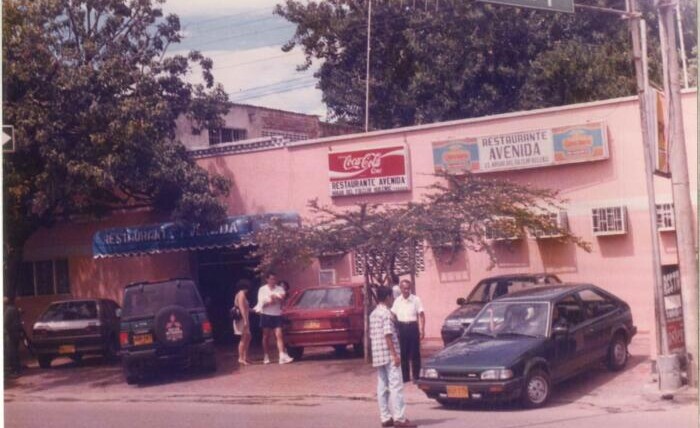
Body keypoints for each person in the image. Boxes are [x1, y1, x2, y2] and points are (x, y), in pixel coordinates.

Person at [370, 285, 416, 428]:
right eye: (392, 297)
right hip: (389, 354)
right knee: (396, 386)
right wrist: (394, 354)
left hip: (378, 355)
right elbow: (388, 335)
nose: (393, 299)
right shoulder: (386, 314)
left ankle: (385, 417)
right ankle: (399, 418)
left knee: (382, 386)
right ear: (388, 297)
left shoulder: (373, 314)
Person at [390, 279, 425, 383]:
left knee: (415, 353)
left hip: (413, 327)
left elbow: (422, 315)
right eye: (404, 288)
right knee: (403, 353)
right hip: (402, 327)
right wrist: (395, 326)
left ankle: (416, 376)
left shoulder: (416, 299)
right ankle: (405, 377)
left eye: (408, 288)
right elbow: (392, 314)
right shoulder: (397, 301)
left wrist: (422, 329)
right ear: (400, 289)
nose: (406, 290)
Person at [255, 272, 293, 365]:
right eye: (271, 279)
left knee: (279, 335)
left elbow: (282, 297)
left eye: (274, 279)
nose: (273, 281)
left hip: (277, 315)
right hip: (266, 315)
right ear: (267, 279)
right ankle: (266, 355)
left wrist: (275, 299)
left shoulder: (279, 288)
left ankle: (281, 356)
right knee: (266, 336)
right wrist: (271, 301)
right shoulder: (262, 289)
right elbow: (261, 303)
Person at [233, 279, 253, 365]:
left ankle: (245, 356)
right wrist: (245, 320)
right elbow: (242, 308)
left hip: (244, 318)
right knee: (244, 338)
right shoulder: (241, 294)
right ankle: (241, 357)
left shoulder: (240, 294)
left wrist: (253, 310)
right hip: (242, 319)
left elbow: (246, 308)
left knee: (248, 336)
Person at [4, 296, 24, 376]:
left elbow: (5, 323)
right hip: (16, 333)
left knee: (11, 352)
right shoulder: (15, 309)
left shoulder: (8, 311)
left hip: (11, 334)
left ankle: (15, 370)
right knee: (15, 351)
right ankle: (17, 369)